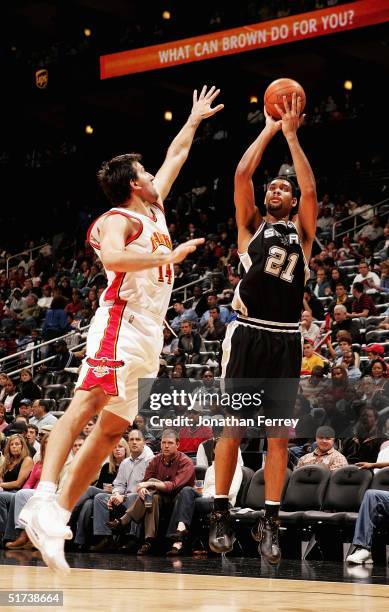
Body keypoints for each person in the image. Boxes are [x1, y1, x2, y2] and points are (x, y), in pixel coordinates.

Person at [20, 85, 223, 573]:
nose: (156, 176)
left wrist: (193, 121)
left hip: (150, 334)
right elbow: (112, 257)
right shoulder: (117, 219)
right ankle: (42, 498)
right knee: (86, 403)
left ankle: (57, 516)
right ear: (135, 184)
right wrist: (166, 256)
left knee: (112, 430)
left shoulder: (153, 211)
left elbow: (175, 156)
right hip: (121, 324)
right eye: (146, 173)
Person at [209, 93, 317, 564]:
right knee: (233, 428)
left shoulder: (304, 235)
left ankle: (270, 521)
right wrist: (271, 128)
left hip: (286, 338)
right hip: (249, 333)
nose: (275, 190)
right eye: (271, 187)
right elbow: (240, 176)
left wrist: (293, 137)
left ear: (291, 202)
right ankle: (220, 512)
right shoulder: (250, 226)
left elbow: (312, 191)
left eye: (282, 189)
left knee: (277, 436)